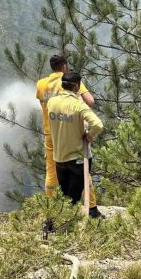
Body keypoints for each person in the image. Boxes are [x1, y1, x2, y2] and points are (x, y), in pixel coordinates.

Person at [36, 55, 103, 217]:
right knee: (81, 167)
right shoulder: (69, 81)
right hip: (70, 132)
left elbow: (42, 104)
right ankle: (92, 208)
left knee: (51, 173)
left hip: (51, 132)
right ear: (65, 67)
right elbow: (90, 101)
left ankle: (51, 211)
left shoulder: (41, 84)